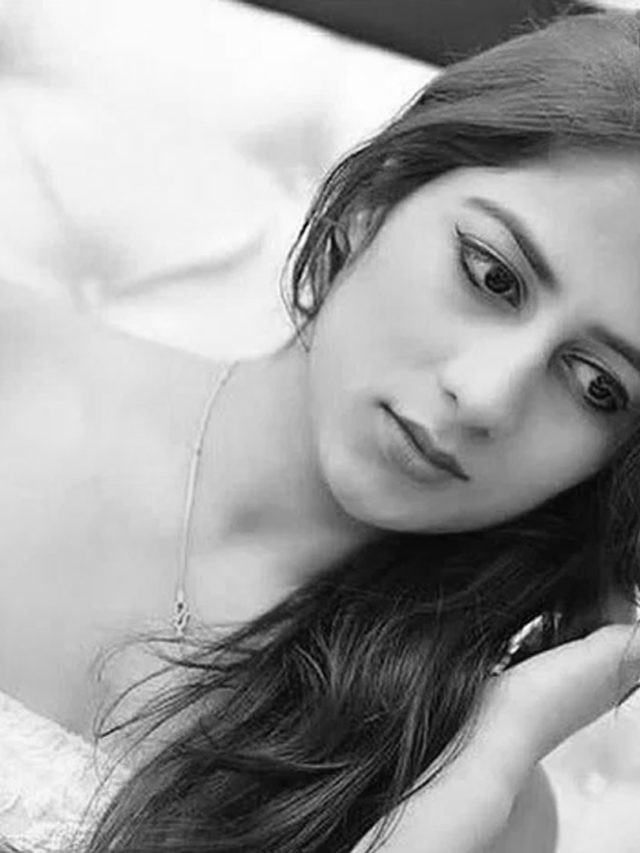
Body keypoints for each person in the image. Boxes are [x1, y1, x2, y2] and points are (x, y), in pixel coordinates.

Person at [2, 8, 640, 853]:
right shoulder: (15, 371)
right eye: (492, 276)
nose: (485, 396)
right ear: (377, 199)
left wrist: (495, 751)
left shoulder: (481, 795)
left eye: (596, 384)